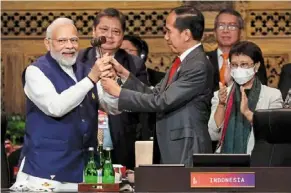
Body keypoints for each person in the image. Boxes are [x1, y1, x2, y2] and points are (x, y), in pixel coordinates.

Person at [10, 17, 118, 191]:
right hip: (46, 170)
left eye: (74, 40)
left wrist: (111, 84)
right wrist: (91, 78)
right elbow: (56, 107)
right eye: (62, 41)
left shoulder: (86, 70)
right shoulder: (36, 72)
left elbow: (112, 107)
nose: (70, 46)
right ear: (48, 43)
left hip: (83, 167)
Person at [101, 6, 214, 166]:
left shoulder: (198, 65)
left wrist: (119, 92)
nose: (166, 37)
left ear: (186, 34)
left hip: (187, 146)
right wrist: (125, 75)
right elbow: (153, 93)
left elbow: (162, 101)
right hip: (173, 144)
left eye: (169, 31)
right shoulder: (183, 61)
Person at [77, 8, 149, 170]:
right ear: (94, 31)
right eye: (104, 30)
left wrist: (118, 83)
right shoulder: (78, 60)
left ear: (122, 36)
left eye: (115, 31)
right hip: (85, 137)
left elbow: (143, 100)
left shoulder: (134, 63)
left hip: (122, 138)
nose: (109, 36)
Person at [208, 41, 283, 154]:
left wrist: (248, 113)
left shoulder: (272, 96)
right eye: (234, 65)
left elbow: (274, 135)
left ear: (256, 66)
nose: (238, 69)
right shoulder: (221, 94)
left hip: (258, 160)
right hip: (226, 162)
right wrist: (221, 105)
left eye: (244, 65)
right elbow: (213, 134)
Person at [207, 9, 268, 92]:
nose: (225, 31)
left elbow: (260, 91)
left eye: (232, 26)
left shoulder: (252, 57)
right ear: (214, 32)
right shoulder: (203, 59)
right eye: (221, 26)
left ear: (241, 32)